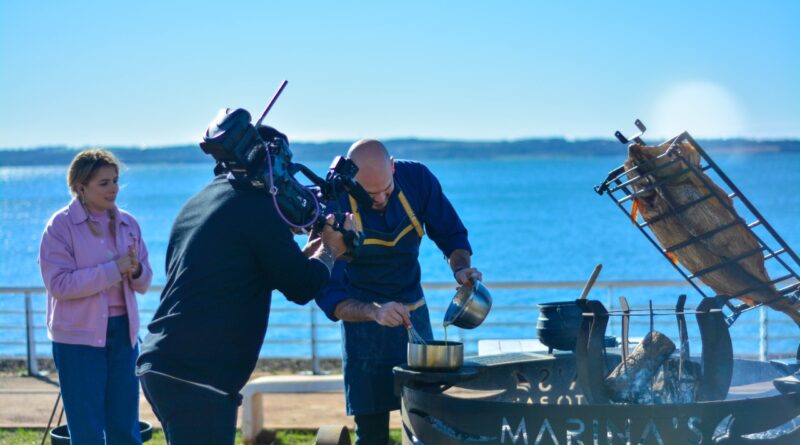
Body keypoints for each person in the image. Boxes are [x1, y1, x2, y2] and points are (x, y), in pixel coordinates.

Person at [136, 126, 351, 445]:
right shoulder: (257, 206)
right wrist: (331, 249)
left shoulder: (203, 200)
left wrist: (312, 253)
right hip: (198, 374)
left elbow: (258, 270)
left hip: (163, 361)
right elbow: (302, 286)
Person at [315, 139, 482, 445]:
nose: (379, 199)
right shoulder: (334, 204)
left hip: (414, 314)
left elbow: (451, 234)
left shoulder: (417, 179)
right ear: (351, 182)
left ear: (392, 167)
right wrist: (374, 311)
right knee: (371, 432)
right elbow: (329, 293)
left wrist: (461, 268)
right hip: (363, 324)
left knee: (427, 421)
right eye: (369, 194)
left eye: (386, 190)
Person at [39, 148, 152, 445]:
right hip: (77, 341)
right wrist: (114, 270)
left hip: (123, 335)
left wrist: (136, 269)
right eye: (104, 183)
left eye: (115, 180)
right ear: (80, 187)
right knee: (87, 431)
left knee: (125, 427)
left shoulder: (129, 223)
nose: (113, 188)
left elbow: (145, 282)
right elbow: (59, 285)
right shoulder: (59, 226)